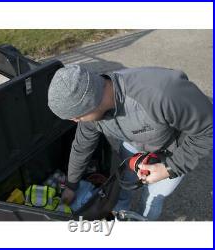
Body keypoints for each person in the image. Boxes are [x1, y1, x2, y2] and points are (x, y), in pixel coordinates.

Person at [47, 65, 213, 220]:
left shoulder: (161, 94)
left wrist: (170, 168)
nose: (76, 121)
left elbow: (209, 128)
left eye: (76, 116)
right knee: (123, 186)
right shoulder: (91, 115)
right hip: (134, 144)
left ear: (91, 102)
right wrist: (71, 185)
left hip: (173, 152)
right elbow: (81, 148)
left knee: (152, 199)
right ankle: (120, 217)